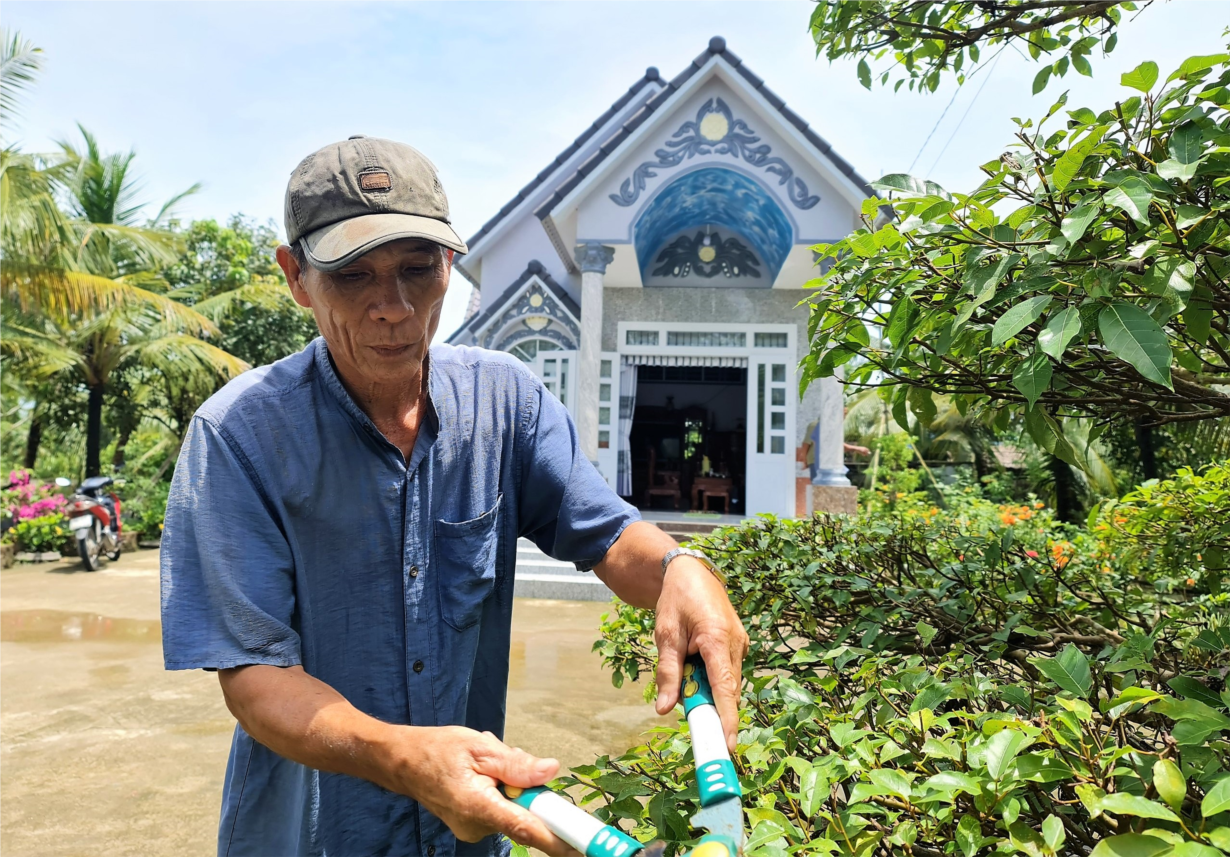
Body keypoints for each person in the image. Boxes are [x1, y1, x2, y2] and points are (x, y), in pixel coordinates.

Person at [160, 136, 749, 857]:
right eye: (353, 276)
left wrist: (680, 569)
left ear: (451, 265)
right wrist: (407, 759)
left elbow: (609, 534)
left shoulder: (507, 403)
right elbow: (256, 678)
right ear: (296, 276)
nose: (394, 307)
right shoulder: (239, 437)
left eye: (418, 269)